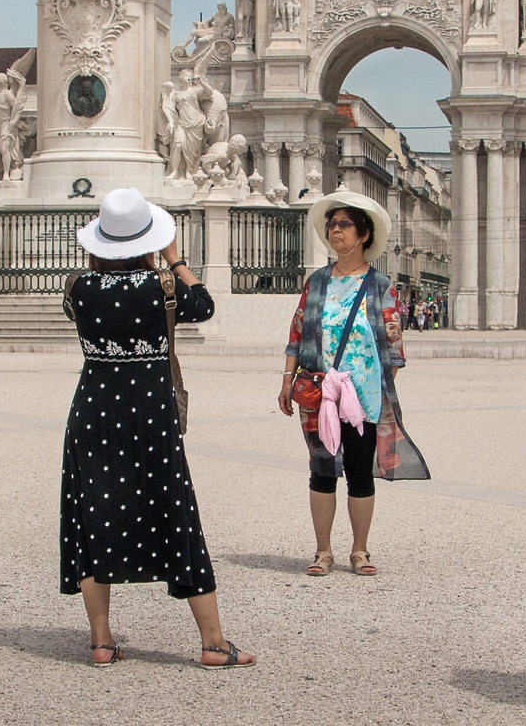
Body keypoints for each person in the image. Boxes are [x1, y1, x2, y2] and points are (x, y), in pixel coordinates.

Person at [60, 188, 254, 671]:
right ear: (148, 240)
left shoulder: (77, 288)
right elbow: (205, 305)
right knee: (175, 511)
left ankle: (101, 643)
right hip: (149, 413)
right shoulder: (163, 288)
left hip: (94, 410)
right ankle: (212, 643)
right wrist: (176, 260)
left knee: (93, 514)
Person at [275, 190, 428, 578]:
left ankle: (359, 550)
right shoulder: (316, 282)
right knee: (322, 469)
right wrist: (286, 379)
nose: (334, 230)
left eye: (343, 224)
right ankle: (323, 550)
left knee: (359, 471)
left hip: (362, 396)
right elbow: (297, 333)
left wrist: (370, 386)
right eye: (332, 224)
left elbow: (393, 348)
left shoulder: (380, 286)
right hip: (317, 391)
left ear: (363, 234)